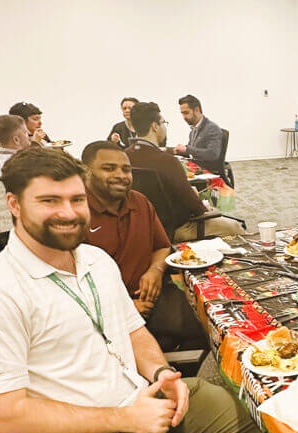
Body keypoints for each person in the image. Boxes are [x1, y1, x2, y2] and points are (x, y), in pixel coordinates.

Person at [0, 147, 298, 433]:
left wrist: (161, 372)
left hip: (141, 398)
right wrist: (124, 417)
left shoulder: (95, 260)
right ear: (14, 204)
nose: (68, 212)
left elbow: (134, 332)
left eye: (76, 199)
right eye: (50, 200)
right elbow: (4, 417)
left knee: (274, 427)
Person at [82, 141, 207, 353]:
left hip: (153, 297)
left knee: (206, 328)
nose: (121, 175)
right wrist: (126, 310)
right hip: (104, 315)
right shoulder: (76, 215)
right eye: (109, 168)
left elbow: (161, 246)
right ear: (85, 171)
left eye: (126, 169)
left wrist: (155, 270)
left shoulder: (140, 202)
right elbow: (73, 289)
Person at [126, 101, 244, 241]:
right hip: (172, 230)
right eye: (164, 123)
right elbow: (196, 208)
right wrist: (196, 198)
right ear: (155, 126)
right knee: (236, 227)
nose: (165, 127)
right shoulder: (168, 162)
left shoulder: (124, 156)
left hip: (140, 228)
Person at [173, 94, 225, 174]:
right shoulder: (194, 129)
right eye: (182, 114)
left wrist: (187, 149)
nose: (184, 117)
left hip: (208, 173)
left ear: (197, 110)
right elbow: (190, 152)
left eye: (186, 113)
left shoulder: (212, 128)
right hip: (198, 170)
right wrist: (170, 151)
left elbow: (212, 154)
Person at [0, 114, 30, 179]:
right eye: (25, 133)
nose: (29, 134)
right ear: (16, 140)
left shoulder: (1, 162)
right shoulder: (21, 166)